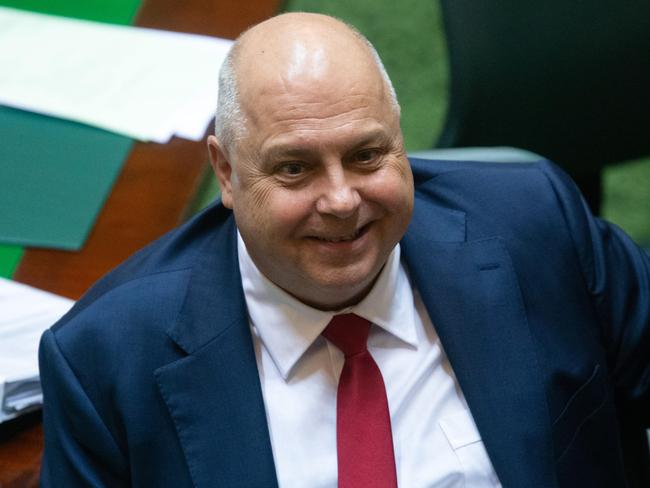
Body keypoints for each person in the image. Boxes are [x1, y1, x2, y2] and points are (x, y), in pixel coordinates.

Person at [38, 12, 649, 488]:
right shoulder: (106, 358)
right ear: (226, 173)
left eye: (366, 156)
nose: (340, 200)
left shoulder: (538, 225)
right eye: (295, 168)